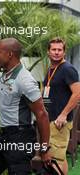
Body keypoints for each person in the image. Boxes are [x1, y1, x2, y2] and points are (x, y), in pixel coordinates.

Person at [0, 38, 51, 175]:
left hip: (21, 138)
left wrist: (44, 149)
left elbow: (42, 114)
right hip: (4, 136)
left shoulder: (25, 80)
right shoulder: (3, 76)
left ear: (10, 54)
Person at [43, 37, 80, 174]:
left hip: (59, 122)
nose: (57, 52)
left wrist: (63, 114)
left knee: (55, 159)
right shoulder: (52, 68)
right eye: (54, 49)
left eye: (60, 50)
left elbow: (77, 93)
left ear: (64, 52)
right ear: (48, 51)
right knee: (59, 158)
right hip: (50, 119)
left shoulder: (68, 69)